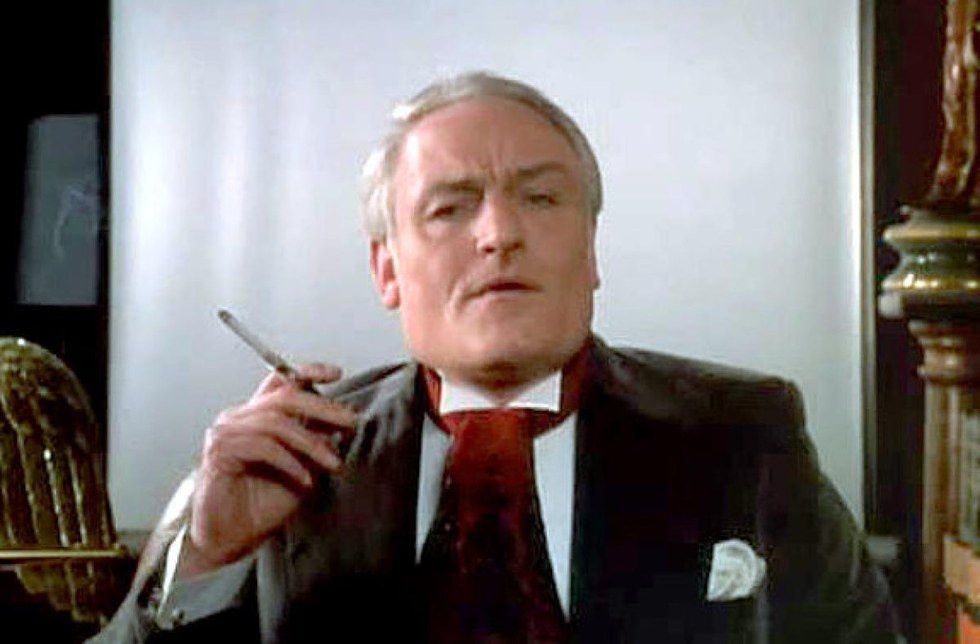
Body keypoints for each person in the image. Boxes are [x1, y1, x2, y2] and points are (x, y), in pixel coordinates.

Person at [95, 71, 900, 642]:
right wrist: (204, 561)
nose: (499, 234)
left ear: (591, 250)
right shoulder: (289, 460)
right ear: (386, 269)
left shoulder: (745, 437)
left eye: (541, 198)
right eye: (450, 209)